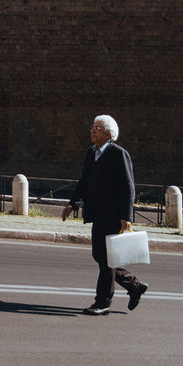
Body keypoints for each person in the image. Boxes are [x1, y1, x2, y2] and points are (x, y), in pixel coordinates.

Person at [62, 114, 148, 315]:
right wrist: (72, 203)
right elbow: (84, 181)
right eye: (93, 126)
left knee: (107, 260)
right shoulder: (91, 153)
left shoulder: (119, 154)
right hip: (97, 214)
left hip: (113, 215)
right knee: (100, 256)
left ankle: (102, 303)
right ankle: (134, 285)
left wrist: (127, 217)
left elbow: (128, 187)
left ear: (109, 134)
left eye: (98, 128)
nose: (93, 130)